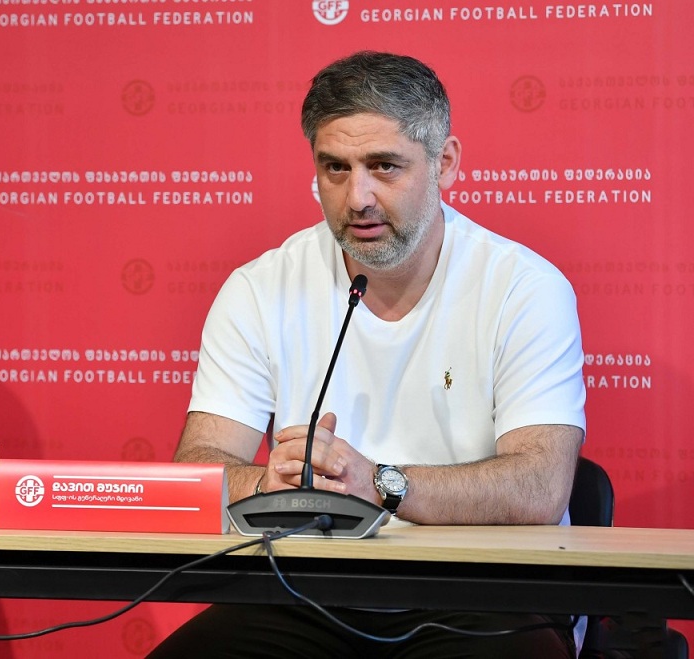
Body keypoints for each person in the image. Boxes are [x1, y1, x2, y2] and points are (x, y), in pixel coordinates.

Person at [149, 52, 586, 658]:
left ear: (445, 163)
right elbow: (198, 469)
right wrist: (267, 483)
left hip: (485, 592)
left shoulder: (524, 289)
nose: (357, 198)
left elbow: (540, 486)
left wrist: (378, 483)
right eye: (335, 167)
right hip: (306, 592)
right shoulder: (259, 288)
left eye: (384, 166)